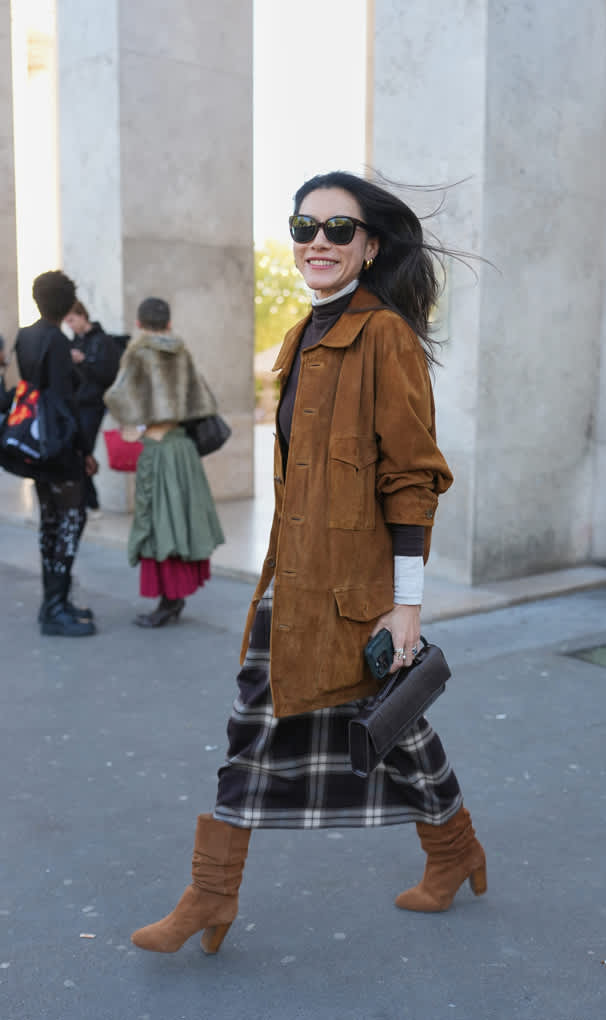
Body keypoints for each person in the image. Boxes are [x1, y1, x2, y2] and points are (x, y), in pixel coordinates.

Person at [129, 172, 487, 956]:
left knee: (309, 725)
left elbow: (412, 477)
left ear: (369, 246)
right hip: (292, 579)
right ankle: (452, 851)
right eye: (304, 227)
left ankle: (210, 896)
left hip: (351, 590)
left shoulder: (383, 336)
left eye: (337, 230)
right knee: (387, 728)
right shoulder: (304, 335)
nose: (317, 243)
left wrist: (408, 606)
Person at [104, 296, 225, 628]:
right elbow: (203, 400)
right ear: (169, 323)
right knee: (179, 522)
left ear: (140, 324)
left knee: (159, 525)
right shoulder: (182, 351)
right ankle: (173, 598)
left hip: (158, 450)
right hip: (182, 449)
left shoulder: (139, 352)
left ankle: (167, 602)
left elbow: (117, 397)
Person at [10, 271, 97, 636]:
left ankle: (54, 603)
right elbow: (64, 403)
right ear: (65, 305)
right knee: (69, 523)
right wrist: (85, 451)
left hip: (37, 443)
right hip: (60, 447)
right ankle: (55, 609)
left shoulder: (25, 336)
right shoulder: (57, 342)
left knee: (50, 522)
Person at [63, 300, 126, 510]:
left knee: (83, 453)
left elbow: (107, 375)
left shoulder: (102, 341)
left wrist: (84, 362)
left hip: (94, 406)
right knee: (77, 452)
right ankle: (87, 501)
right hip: (76, 404)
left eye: (72, 320)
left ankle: (90, 503)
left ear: (82, 316)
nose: (70, 325)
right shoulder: (75, 342)